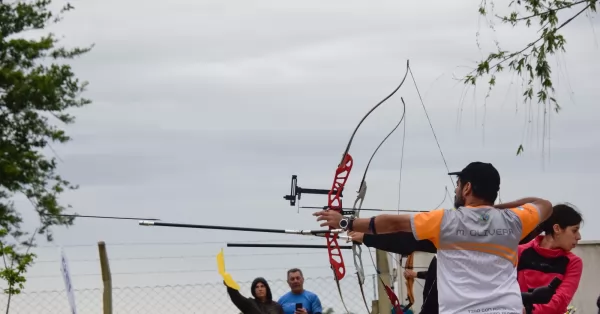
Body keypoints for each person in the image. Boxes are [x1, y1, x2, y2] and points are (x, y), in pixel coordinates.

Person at [314, 161, 553, 314]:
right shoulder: (515, 221)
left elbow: (393, 223)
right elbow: (544, 204)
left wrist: (345, 222)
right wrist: (497, 209)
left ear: (467, 188)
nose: (457, 190)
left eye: (458, 185)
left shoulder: (445, 221)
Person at [517, 203, 584, 314]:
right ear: (557, 228)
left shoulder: (573, 262)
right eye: (574, 230)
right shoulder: (519, 252)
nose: (579, 237)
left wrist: (528, 311)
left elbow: (561, 300)